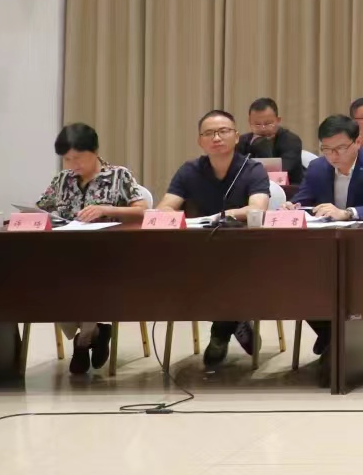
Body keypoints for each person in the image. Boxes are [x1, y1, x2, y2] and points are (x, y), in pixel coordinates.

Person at [159, 109, 271, 370]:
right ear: (200, 141)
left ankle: (220, 331)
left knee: (227, 270)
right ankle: (234, 320)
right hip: (200, 250)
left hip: (246, 252)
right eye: (209, 133)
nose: (216, 138)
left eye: (223, 131)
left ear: (236, 136)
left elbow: (257, 208)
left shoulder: (252, 168)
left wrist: (225, 215)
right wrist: (169, 214)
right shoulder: (189, 170)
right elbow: (165, 206)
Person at [37, 123, 148, 375]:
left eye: (79, 158)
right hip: (66, 254)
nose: (73, 165)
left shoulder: (119, 175)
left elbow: (143, 210)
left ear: (95, 151)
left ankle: (83, 341)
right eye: (67, 159)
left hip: (110, 255)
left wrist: (107, 209)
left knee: (85, 278)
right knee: (46, 281)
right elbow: (42, 209)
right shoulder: (62, 180)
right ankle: (96, 332)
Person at [293, 114, 363, 357]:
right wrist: (291, 207)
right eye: (326, 149)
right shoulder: (317, 167)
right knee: (295, 279)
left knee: (342, 284)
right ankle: (330, 335)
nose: (333, 155)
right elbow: (303, 201)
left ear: (357, 142)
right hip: (324, 250)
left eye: (340, 148)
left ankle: (338, 344)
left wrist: (348, 213)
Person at [240, 97, 306, 192]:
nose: (263, 128)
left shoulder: (291, 140)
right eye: (257, 124)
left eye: (268, 124)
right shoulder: (242, 141)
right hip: (250, 189)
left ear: (278, 120)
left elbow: (279, 172)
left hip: (288, 190)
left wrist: (263, 145)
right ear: (249, 122)